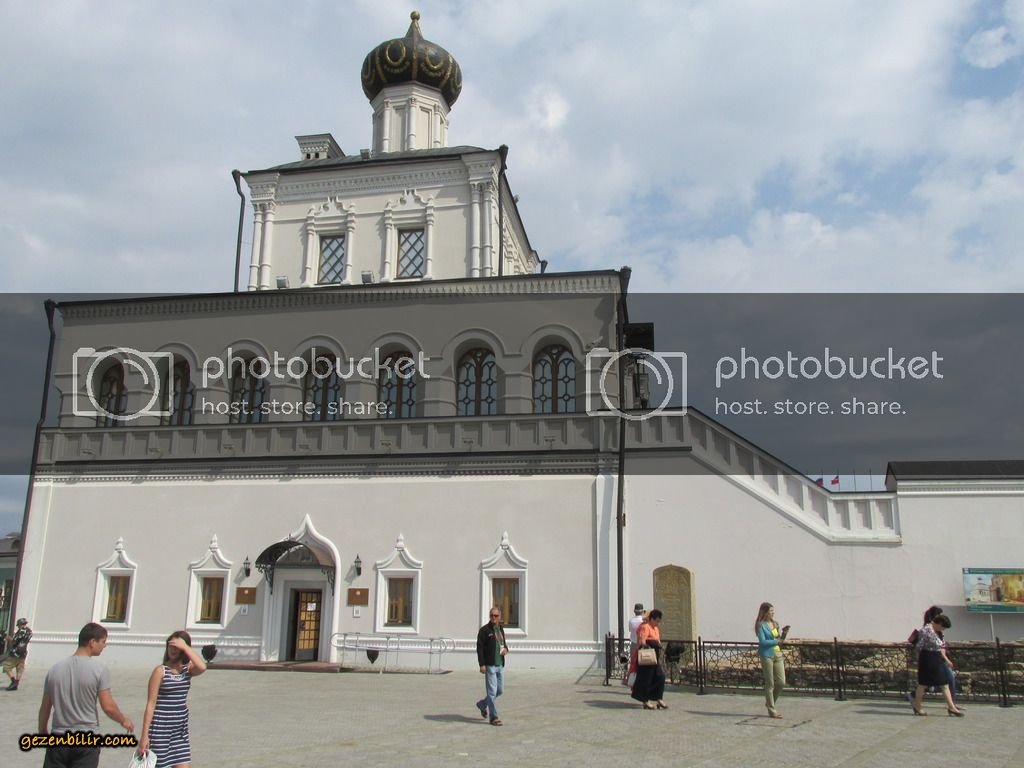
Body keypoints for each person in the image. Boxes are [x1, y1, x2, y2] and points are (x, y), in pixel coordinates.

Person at [38, 622, 135, 768]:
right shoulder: (99, 670)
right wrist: (123, 720)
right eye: (103, 641)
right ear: (92, 642)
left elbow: (45, 708)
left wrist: (42, 731)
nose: (105, 646)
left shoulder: (54, 670)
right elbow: (108, 706)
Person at [138, 630, 207, 768]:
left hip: (179, 729)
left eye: (177, 647)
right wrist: (144, 736)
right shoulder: (160, 671)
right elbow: (151, 704)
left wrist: (186, 647)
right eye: (170, 646)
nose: (173, 650)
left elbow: (202, 667)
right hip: (160, 728)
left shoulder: (188, 670)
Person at [912, 613, 963, 716]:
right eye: (943, 627)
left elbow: (941, 646)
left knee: (944, 683)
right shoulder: (926, 630)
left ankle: (951, 707)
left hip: (936, 658)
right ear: (938, 623)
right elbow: (919, 646)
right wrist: (918, 659)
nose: (943, 629)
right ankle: (917, 706)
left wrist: (945, 659)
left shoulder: (938, 632)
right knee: (923, 684)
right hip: (927, 658)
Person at [476, 606, 509, 726]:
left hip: (500, 664)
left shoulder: (500, 629)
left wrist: (506, 649)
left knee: (499, 691)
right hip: (490, 665)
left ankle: (482, 704)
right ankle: (493, 717)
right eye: (491, 615)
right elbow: (479, 649)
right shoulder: (484, 630)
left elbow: (503, 644)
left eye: (496, 616)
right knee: (492, 692)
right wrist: (482, 664)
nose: (493, 618)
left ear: (499, 617)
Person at [755, 602, 789, 719]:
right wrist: (776, 641)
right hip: (767, 654)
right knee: (770, 683)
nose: (773, 613)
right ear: (765, 612)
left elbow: (778, 639)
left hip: (777, 653)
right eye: (770, 611)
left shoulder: (775, 624)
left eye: (773, 611)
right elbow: (763, 642)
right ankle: (772, 710)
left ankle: (770, 702)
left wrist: (783, 635)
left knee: (781, 682)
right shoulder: (761, 625)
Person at [630, 608, 667, 710]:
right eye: (657, 621)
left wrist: (659, 645)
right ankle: (645, 701)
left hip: (655, 657)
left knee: (660, 677)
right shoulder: (645, 627)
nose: (658, 623)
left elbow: (657, 640)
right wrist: (651, 644)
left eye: (659, 621)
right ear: (651, 619)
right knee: (646, 679)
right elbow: (642, 641)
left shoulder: (656, 628)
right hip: (647, 656)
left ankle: (658, 698)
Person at [3, 617, 32, 691]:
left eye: (18, 625)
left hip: (15, 652)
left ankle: (13, 682)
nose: (18, 626)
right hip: (23, 653)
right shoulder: (29, 631)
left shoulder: (21, 631)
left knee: (7, 667)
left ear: (20, 624)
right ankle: (16, 683)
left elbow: (14, 641)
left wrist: (7, 638)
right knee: (20, 669)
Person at [622, 603, 646, 685]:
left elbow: (630, 630)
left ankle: (630, 679)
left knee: (633, 662)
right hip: (642, 643)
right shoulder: (643, 621)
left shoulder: (631, 621)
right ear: (642, 611)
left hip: (634, 643)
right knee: (643, 662)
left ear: (634, 611)